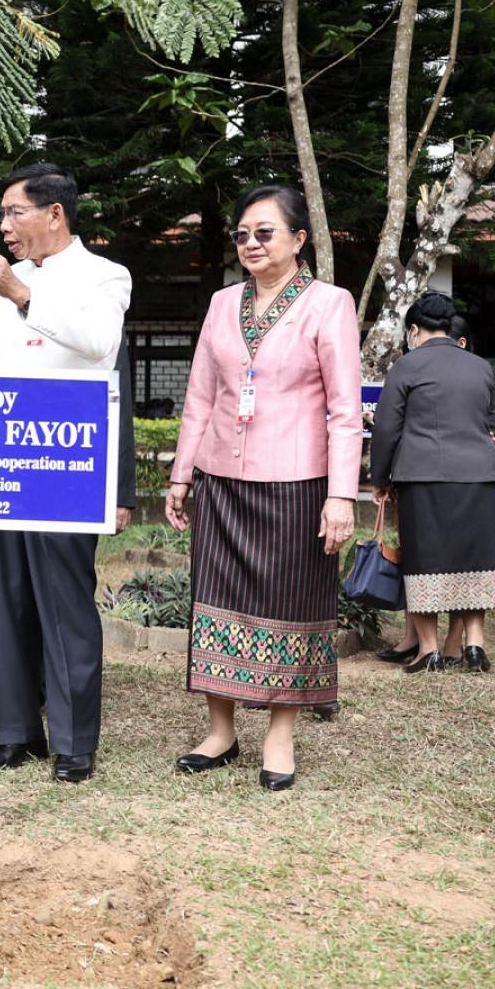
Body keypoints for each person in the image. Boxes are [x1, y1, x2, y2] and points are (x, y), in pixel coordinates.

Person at [165, 184, 359, 791]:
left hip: (297, 483)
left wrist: (341, 494)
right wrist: (181, 472)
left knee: (290, 604)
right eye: (243, 234)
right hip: (221, 478)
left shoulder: (330, 304)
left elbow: (345, 410)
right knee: (215, 600)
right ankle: (220, 731)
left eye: (265, 232)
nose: (251, 243)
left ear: (299, 240)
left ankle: (280, 735)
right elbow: (201, 395)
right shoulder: (224, 303)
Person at [0, 166, 131, 784]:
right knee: (2, 598)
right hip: (3, 455)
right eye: (2, 215)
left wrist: (23, 295)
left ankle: (72, 740)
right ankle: (14, 731)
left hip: (66, 456)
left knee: (63, 603)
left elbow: (97, 344)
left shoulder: (105, 275)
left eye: (15, 213)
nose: (4, 227)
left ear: (54, 213)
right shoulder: (5, 284)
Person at [369, 291, 495, 674]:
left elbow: (386, 429)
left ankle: (429, 650)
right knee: (475, 559)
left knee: (424, 560)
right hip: (479, 476)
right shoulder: (481, 367)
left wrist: (379, 478)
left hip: (423, 474)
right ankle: (475, 646)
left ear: (414, 330)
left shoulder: (406, 367)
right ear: (449, 328)